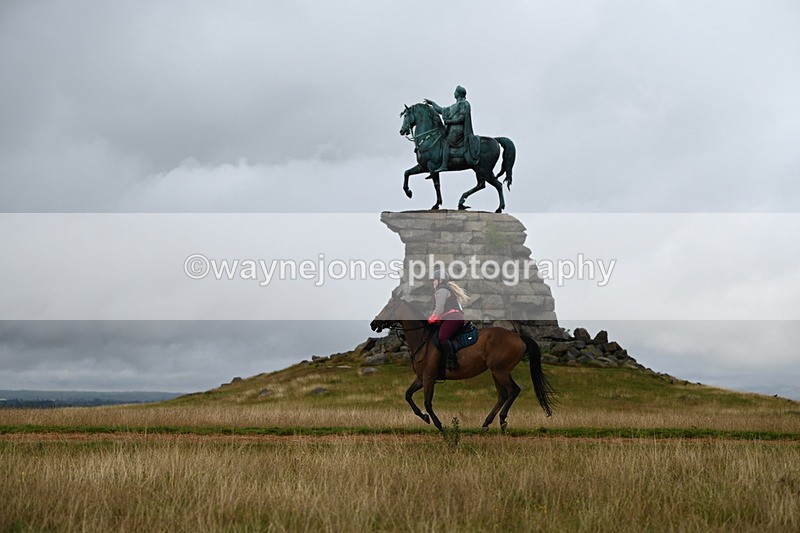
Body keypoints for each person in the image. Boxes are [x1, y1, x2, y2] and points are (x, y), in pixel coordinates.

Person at [424, 85, 480, 172]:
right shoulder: (454, 106)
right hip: (452, 129)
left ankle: (444, 165)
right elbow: (441, 110)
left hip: (458, 130)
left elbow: (462, 118)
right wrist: (432, 103)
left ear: (459, 94)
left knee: (446, 142)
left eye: (455, 92)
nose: (454, 93)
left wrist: (450, 122)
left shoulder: (464, 104)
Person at [427, 269, 470, 370]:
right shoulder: (447, 290)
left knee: (442, 337)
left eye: (434, 280)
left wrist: (430, 320)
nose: (433, 282)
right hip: (453, 318)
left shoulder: (442, 291)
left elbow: (439, 309)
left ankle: (452, 361)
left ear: (440, 280)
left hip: (452, 318)